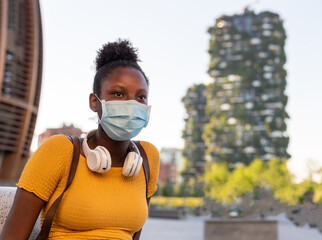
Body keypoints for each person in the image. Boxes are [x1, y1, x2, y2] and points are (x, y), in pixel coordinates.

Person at [0, 39, 160, 240]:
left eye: (141, 97)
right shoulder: (59, 150)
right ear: (95, 101)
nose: (131, 104)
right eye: (118, 93)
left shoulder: (147, 158)